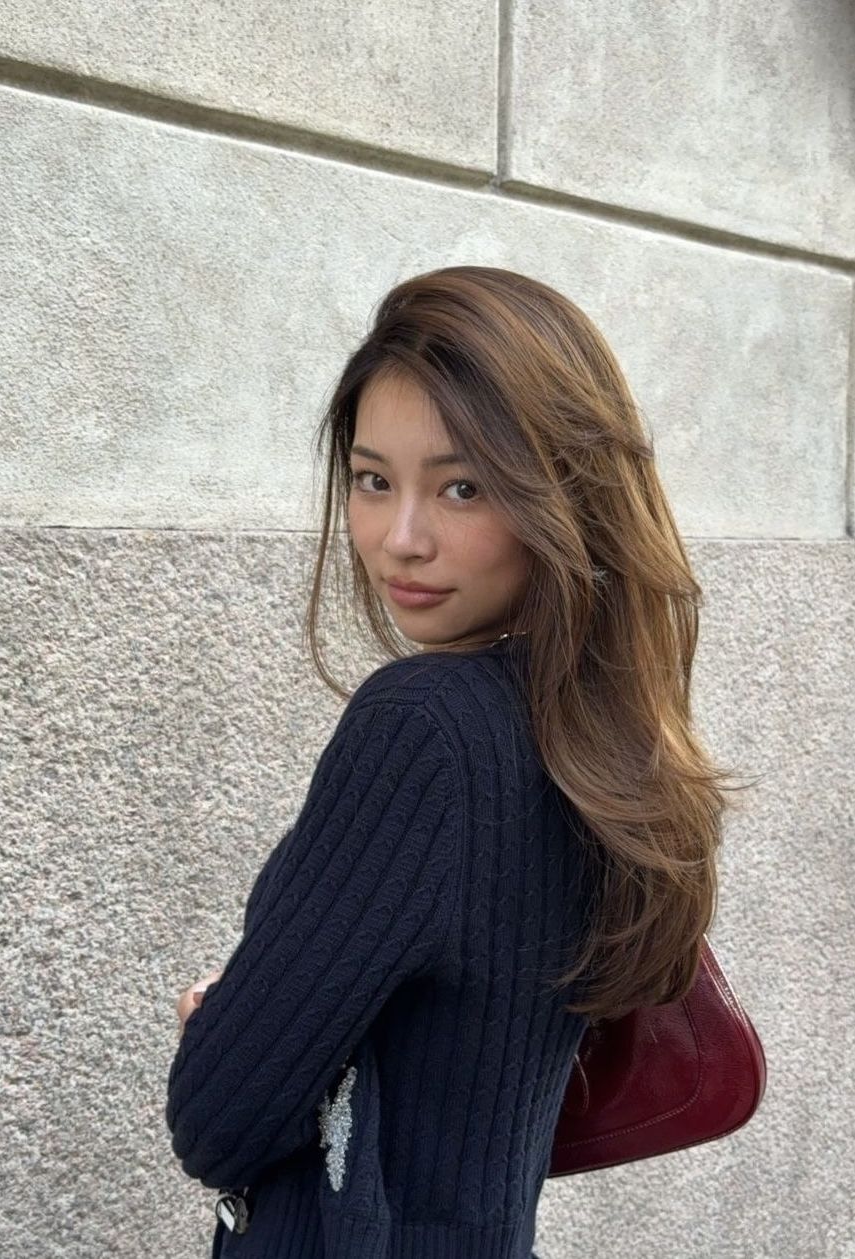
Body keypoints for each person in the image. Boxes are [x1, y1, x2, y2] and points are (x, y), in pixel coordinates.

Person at [165, 265, 746, 1258]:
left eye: (461, 485)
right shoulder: (595, 733)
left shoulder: (423, 726)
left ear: (560, 489)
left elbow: (215, 1119)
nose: (400, 538)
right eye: (371, 478)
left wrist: (230, 1031)